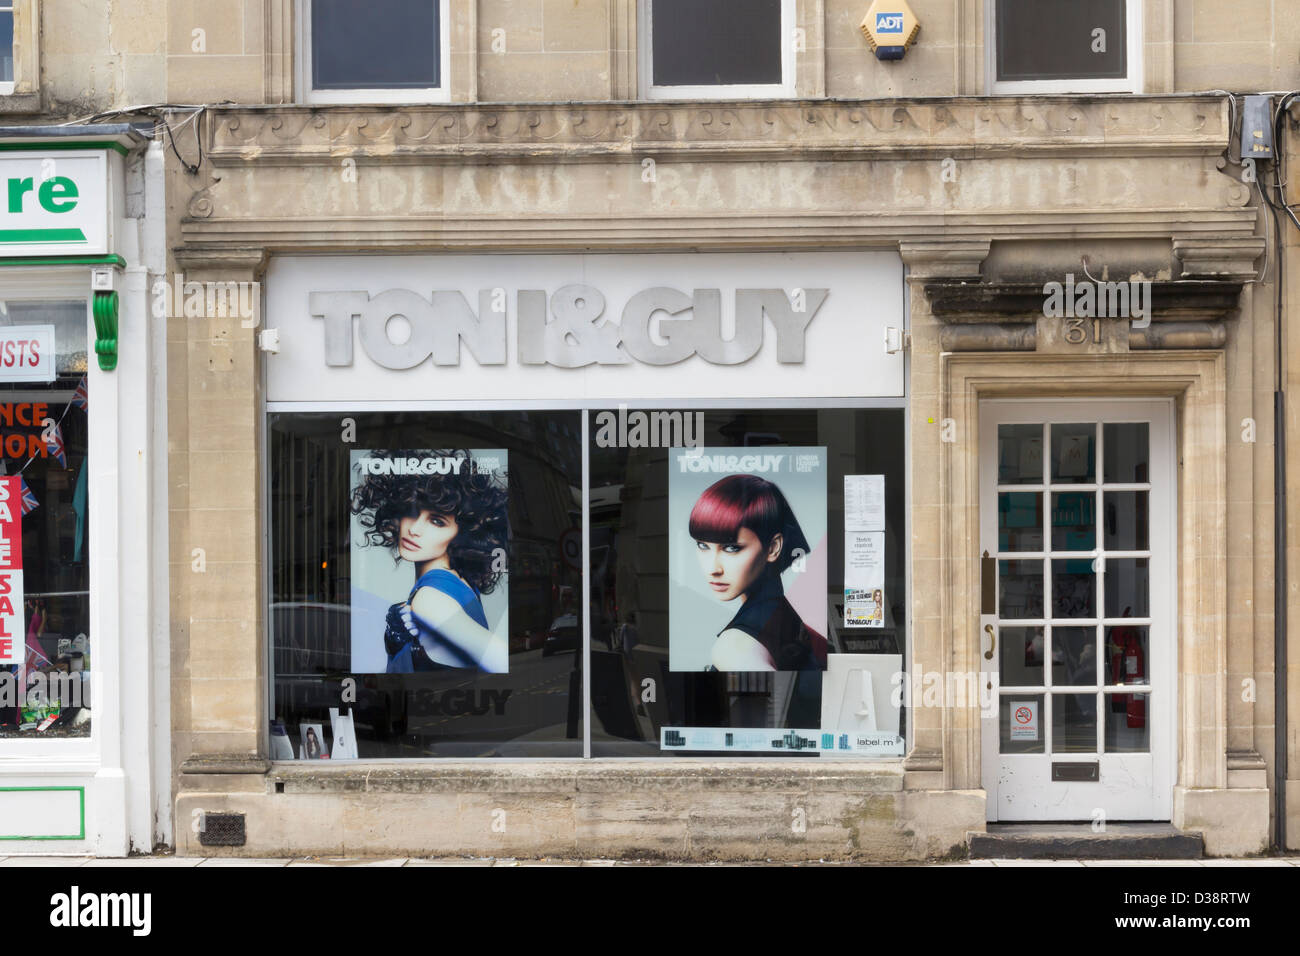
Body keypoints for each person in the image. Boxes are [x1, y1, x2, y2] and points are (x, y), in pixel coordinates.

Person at [351, 450, 508, 673]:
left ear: (462, 532)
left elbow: (499, 657)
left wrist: (426, 609)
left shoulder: (430, 600)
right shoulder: (459, 581)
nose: (414, 529)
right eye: (411, 512)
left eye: (437, 521)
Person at [688, 473, 826, 671]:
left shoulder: (735, 645)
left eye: (731, 548)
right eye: (703, 545)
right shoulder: (786, 617)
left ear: (772, 548)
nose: (713, 569)